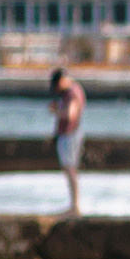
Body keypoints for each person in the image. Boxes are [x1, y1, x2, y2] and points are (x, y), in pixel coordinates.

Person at [48, 67, 86, 216]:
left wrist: (55, 111)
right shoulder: (72, 91)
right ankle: (74, 205)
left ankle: (75, 207)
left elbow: (70, 115)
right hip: (69, 134)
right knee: (70, 170)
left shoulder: (72, 93)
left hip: (71, 134)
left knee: (70, 170)